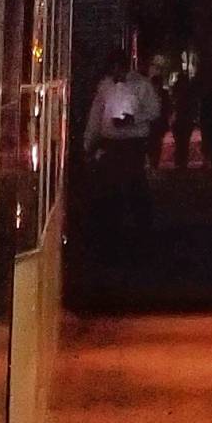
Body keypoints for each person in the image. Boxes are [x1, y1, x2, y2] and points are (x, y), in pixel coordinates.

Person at [83, 49, 160, 277]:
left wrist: (133, 119)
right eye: (113, 68)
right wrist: (88, 144)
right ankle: (112, 240)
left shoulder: (142, 85)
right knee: (111, 190)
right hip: (112, 145)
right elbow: (96, 116)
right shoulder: (105, 86)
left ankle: (142, 238)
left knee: (136, 187)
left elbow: (154, 110)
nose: (116, 72)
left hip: (132, 144)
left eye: (119, 67)